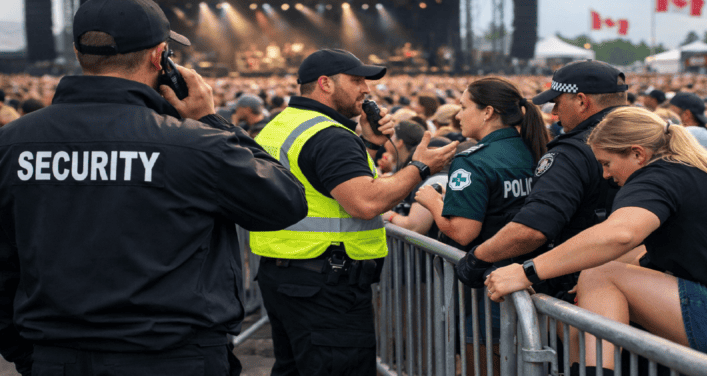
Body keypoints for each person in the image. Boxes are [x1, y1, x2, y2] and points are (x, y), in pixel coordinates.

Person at [0, 0, 308, 376]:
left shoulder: (11, 144)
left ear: (81, 55)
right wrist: (211, 121)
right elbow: (286, 201)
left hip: (57, 356)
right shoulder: (194, 144)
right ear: (160, 56)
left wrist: (29, 355)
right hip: (175, 358)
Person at [485, 107, 707, 375]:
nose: (606, 175)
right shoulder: (703, 169)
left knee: (601, 275)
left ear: (637, 154)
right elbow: (640, 249)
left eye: (607, 163)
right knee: (596, 277)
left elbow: (620, 235)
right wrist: (579, 281)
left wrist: (526, 272)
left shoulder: (659, 175)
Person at [251, 48, 458, 376]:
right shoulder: (330, 136)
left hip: (285, 277)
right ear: (325, 84)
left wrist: (371, 145)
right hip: (325, 287)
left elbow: (321, 182)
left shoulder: (283, 125)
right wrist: (421, 166)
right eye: (356, 80)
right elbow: (365, 203)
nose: (367, 89)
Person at [455, 60, 627, 303]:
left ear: (581, 101)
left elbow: (532, 229)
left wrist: (477, 259)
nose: (554, 113)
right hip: (638, 279)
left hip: (581, 284)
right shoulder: (649, 138)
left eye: (557, 103)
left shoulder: (572, 152)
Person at [415, 76, 549, 374]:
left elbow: (464, 232)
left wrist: (433, 202)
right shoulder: (536, 149)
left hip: (490, 285)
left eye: (463, 107)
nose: (458, 115)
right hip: (536, 275)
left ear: (487, 112)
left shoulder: (473, 160)